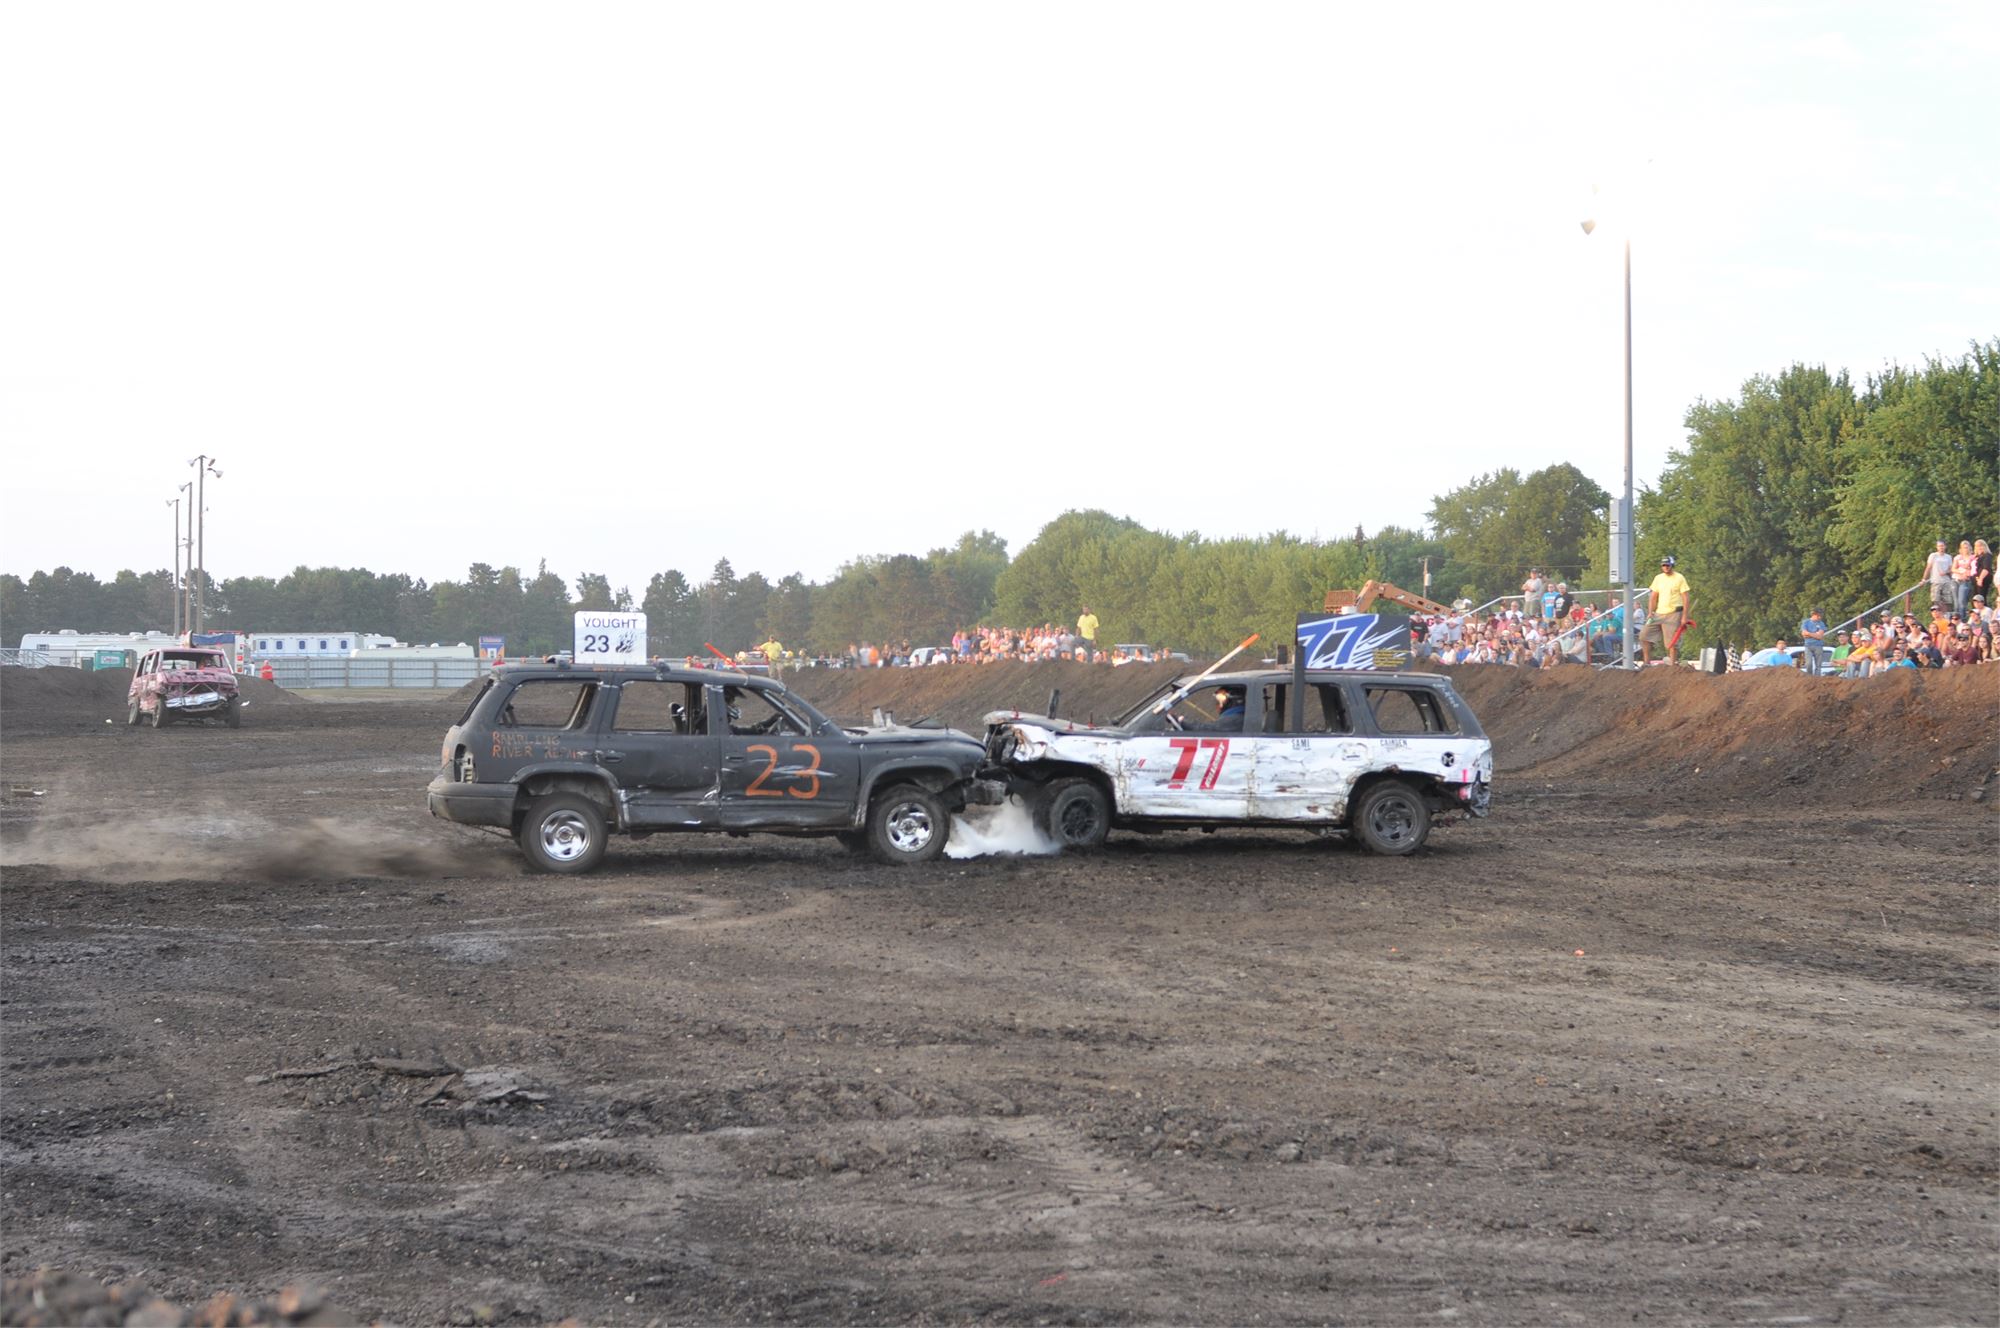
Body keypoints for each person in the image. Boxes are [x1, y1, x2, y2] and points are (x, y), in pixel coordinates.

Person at [1640, 555, 1692, 666]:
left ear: (1672, 565)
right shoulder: (1658, 578)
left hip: (1674, 613)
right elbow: (1653, 597)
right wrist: (1650, 612)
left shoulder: (1679, 578)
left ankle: (1673, 665)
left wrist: (1684, 616)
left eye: (1667, 565)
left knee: (1671, 642)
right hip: (1658, 613)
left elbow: (1686, 597)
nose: (1665, 567)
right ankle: (1646, 663)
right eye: (1663, 565)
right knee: (1644, 635)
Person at [1925, 539, 1954, 613]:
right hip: (1936, 581)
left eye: (1942, 546)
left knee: (1948, 601)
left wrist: (1945, 572)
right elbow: (1928, 567)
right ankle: (1936, 616)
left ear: (1945, 546)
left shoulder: (1948, 557)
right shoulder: (1933, 555)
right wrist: (1924, 579)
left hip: (1946, 581)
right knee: (1935, 601)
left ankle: (1948, 615)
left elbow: (1951, 569)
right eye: (1939, 546)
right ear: (1937, 547)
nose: (1941, 547)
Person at [1798, 608, 1830, 675]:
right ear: (1813, 615)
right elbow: (1804, 634)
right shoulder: (1806, 622)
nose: (1820, 617)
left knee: (1818, 665)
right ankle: (1809, 677)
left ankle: (1817, 679)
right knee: (1808, 664)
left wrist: (1809, 634)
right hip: (1808, 645)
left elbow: (1820, 636)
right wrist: (1815, 634)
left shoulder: (1821, 623)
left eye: (1820, 615)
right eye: (1818, 616)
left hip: (1818, 645)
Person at [1950, 540, 1978, 618]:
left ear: (1970, 548)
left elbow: (1974, 570)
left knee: (1962, 601)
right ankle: (1955, 620)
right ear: (1961, 549)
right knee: (1956, 602)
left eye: (1967, 547)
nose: (1965, 549)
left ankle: (1962, 619)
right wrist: (1961, 572)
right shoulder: (1958, 557)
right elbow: (1953, 569)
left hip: (1965, 581)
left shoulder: (1973, 557)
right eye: (1964, 548)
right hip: (1956, 580)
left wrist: (1967, 572)